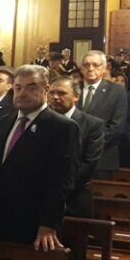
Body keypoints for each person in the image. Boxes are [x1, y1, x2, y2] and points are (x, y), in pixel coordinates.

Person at [0, 65, 78, 260]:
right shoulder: (4, 122)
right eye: (18, 87)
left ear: (46, 89)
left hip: (33, 222)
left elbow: (61, 180)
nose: (22, 93)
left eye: (31, 87)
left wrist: (48, 225)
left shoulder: (61, 127)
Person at [48, 77, 104, 217]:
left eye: (61, 93)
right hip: (42, 195)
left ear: (76, 96)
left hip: (75, 197)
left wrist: (59, 187)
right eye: (52, 92)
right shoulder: (41, 120)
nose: (55, 97)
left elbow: (89, 163)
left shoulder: (92, 124)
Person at [78, 50, 127, 177]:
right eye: (86, 65)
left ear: (104, 68)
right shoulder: (71, 88)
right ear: (81, 68)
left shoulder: (117, 91)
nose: (90, 68)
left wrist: (89, 143)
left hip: (102, 158)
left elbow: (117, 127)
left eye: (95, 65)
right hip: (72, 158)